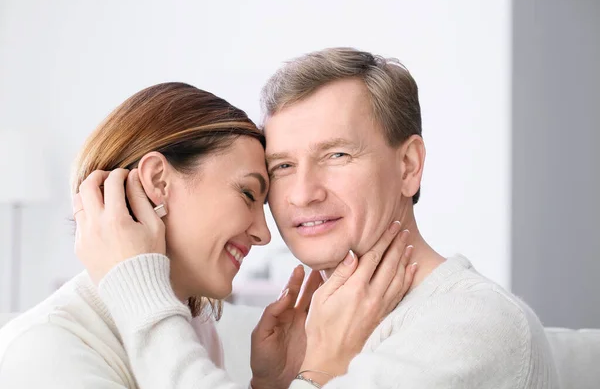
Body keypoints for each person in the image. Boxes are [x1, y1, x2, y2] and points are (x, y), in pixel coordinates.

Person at [73, 48, 560, 389]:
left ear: (408, 166)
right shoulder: (317, 333)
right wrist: (275, 385)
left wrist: (135, 286)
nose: (302, 194)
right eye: (282, 166)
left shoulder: (471, 325)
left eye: (338, 155)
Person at [0, 82, 416, 388]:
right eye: (248, 193)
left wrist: (272, 384)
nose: (263, 234)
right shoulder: (45, 349)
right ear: (159, 182)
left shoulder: (195, 325)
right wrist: (319, 374)